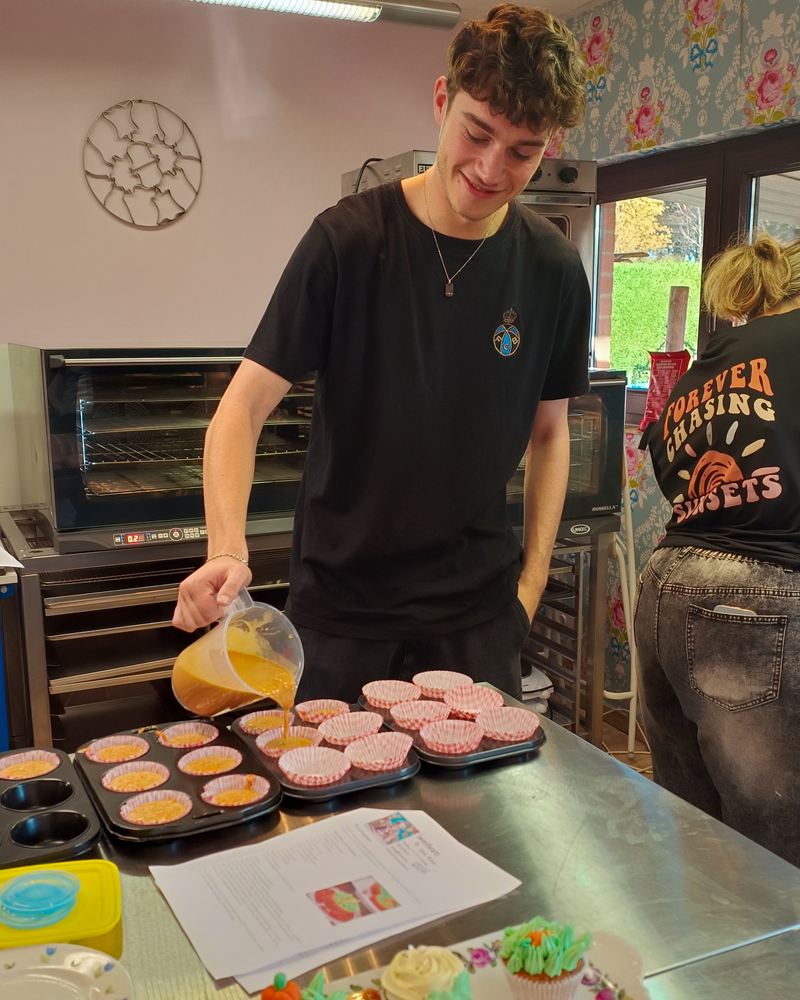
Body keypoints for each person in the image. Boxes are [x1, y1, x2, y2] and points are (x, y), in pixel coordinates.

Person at [173, 5, 590, 703]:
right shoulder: (347, 243)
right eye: (477, 133)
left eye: (523, 151)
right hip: (340, 616)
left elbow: (551, 432)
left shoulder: (553, 268)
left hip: (479, 619)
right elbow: (241, 408)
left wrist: (532, 584)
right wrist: (226, 548)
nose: (491, 168)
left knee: (482, 782)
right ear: (441, 101)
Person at [636, 232, 800, 866]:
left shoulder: (710, 361)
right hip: (757, 601)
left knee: (692, 824)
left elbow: (663, 458)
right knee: (773, 844)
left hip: (667, 585)